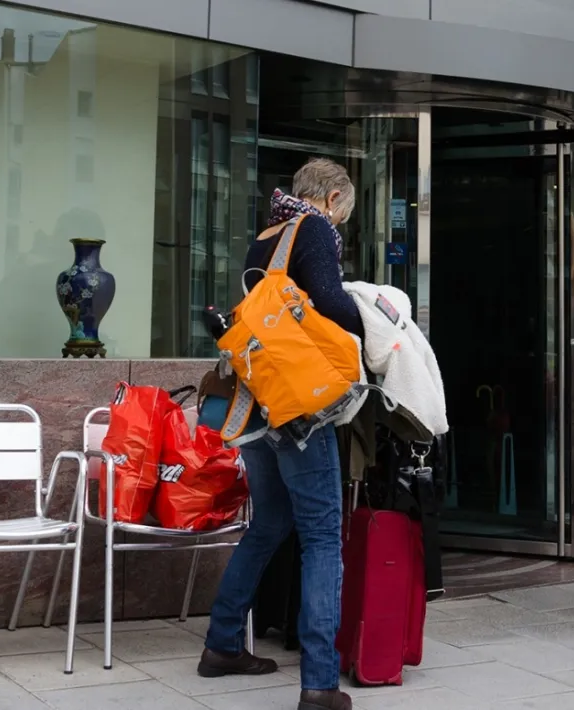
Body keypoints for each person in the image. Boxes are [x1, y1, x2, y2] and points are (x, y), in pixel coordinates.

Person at [199, 158, 364, 710]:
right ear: (335, 197)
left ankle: (223, 644)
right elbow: (332, 304)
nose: (341, 220)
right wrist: (376, 329)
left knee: (269, 522)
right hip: (298, 406)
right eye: (345, 209)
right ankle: (319, 682)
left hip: (258, 404)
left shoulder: (266, 237)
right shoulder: (313, 229)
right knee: (321, 534)